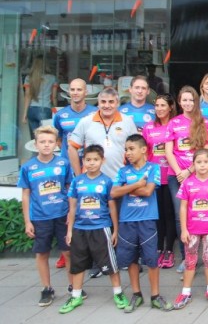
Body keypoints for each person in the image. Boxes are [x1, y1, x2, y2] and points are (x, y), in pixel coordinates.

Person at [59, 144, 127, 314]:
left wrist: (115, 230)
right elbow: (72, 208)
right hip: (80, 228)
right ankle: (76, 295)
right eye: (88, 159)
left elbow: (112, 208)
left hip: (101, 227)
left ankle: (118, 293)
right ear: (83, 161)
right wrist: (70, 230)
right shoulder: (77, 181)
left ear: (102, 160)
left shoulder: (107, 182)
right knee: (78, 263)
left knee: (110, 263)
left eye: (95, 159)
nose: (91, 163)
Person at [110, 134, 173, 312]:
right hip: (127, 221)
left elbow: (148, 192)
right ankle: (136, 295)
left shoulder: (153, 168)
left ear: (144, 149)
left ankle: (155, 296)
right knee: (131, 259)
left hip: (147, 220)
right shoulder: (123, 171)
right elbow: (113, 193)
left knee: (152, 259)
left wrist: (126, 189)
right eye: (126, 150)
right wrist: (137, 184)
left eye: (131, 149)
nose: (128, 153)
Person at [18, 126, 73, 307]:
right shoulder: (28, 167)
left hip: (62, 215)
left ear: (56, 144)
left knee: (68, 251)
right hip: (40, 217)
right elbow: (26, 195)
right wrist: (27, 221)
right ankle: (47, 288)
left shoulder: (63, 163)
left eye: (50, 141)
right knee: (42, 253)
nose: (46, 145)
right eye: (42, 142)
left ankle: (74, 287)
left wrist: (71, 213)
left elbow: (70, 189)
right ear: (36, 144)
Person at [167, 86, 208, 272]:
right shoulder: (173, 123)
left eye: (191, 100)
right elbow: (169, 151)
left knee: (202, 213)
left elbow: (206, 150)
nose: (187, 103)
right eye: (184, 100)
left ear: (196, 102)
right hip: (176, 176)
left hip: (198, 174)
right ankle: (187, 256)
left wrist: (189, 171)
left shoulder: (204, 122)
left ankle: (207, 254)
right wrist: (180, 172)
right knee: (181, 216)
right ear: (179, 102)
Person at [173, 149, 208, 309]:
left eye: (205, 162)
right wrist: (184, 230)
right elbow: (183, 207)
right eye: (199, 162)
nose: (202, 165)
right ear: (193, 164)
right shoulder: (187, 183)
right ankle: (185, 292)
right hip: (192, 230)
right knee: (190, 260)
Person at [68, 86, 138, 179]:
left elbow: (136, 149)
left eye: (111, 102)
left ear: (117, 103)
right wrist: (79, 177)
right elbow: (72, 147)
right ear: (98, 103)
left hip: (119, 180)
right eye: (103, 102)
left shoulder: (127, 121)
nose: (107, 106)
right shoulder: (86, 121)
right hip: (91, 181)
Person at [142, 94, 178, 269]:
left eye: (163, 105)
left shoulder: (176, 125)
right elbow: (145, 152)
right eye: (157, 105)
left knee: (170, 214)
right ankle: (158, 248)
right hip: (154, 178)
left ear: (170, 107)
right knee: (158, 215)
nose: (160, 109)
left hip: (171, 175)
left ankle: (169, 250)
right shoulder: (149, 127)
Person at [53, 78, 97, 161]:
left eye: (79, 90)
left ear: (86, 92)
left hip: (90, 162)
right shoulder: (60, 115)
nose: (75, 93)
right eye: (72, 90)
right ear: (69, 92)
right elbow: (58, 139)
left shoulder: (96, 113)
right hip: (68, 162)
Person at [22, 55, 58, 137]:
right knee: (45, 137)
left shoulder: (29, 78)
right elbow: (54, 97)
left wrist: (24, 114)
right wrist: (55, 111)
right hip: (45, 108)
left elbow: (27, 96)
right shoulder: (52, 78)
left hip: (31, 110)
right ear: (46, 65)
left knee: (36, 137)